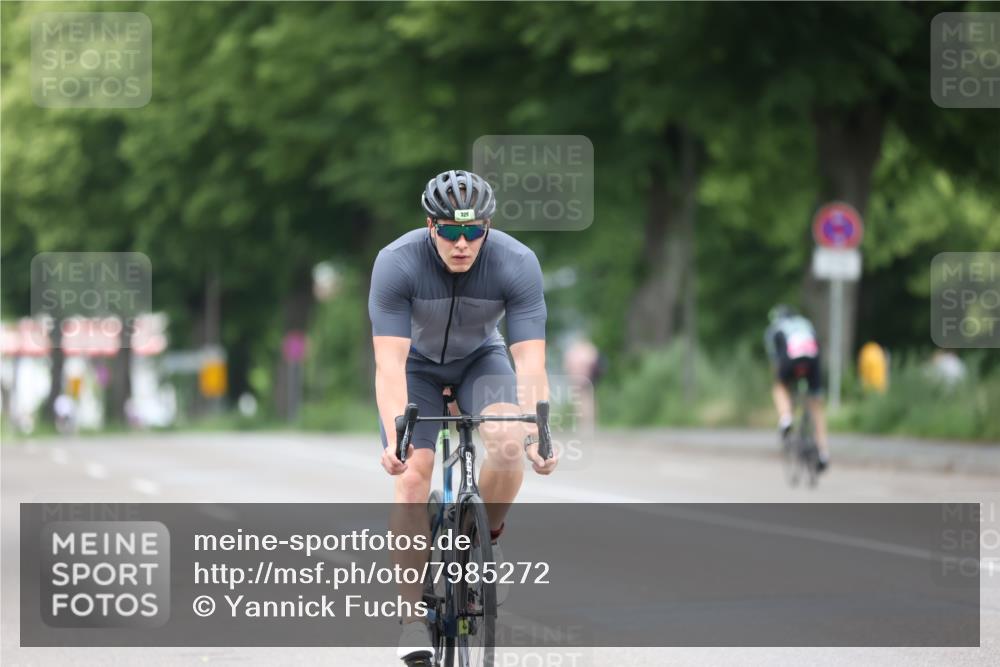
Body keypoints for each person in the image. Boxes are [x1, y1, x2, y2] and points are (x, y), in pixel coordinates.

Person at [368, 169, 559, 664]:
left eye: (473, 232)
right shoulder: (396, 263)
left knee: (509, 441)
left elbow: (530, 362)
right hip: (417, 368)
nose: (462, 243)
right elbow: (388, 365)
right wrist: (396, 435)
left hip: (481, 360)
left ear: (488, 229)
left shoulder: (517, 262)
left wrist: (539, 429)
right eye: (450, 231)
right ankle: (411, 620)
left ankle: (482, 537)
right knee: (412, 477)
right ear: (430, 226)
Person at [764, 304, 829, 472]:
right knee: (816, 406)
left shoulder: (775, 328)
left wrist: (782, 379)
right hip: (812, 359)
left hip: (790, 357)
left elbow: (775, 360)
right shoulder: (805, 323)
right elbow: (817, 345)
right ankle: (823, 453)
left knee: (779, 387)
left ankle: (786, 418)